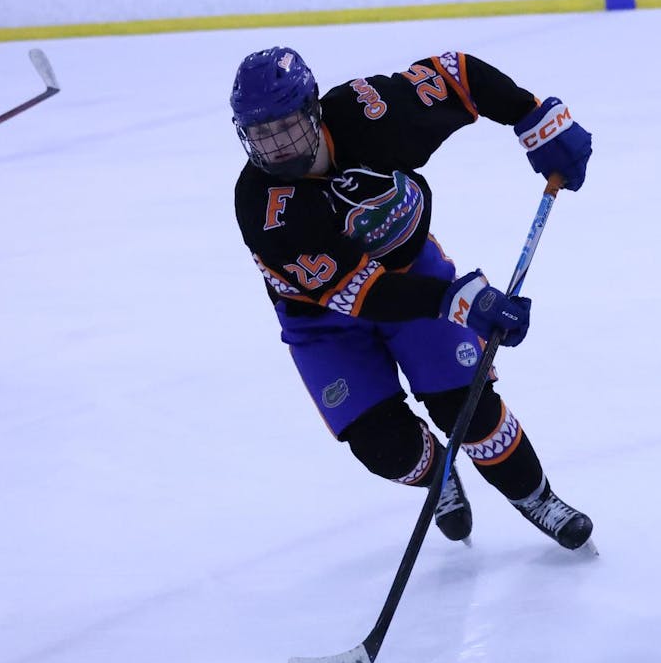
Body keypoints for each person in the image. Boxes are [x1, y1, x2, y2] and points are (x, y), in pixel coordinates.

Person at [230, 46, 595, 550]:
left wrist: (534, 118)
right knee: (384, 448)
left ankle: (537, 498)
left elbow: (458, 75)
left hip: (411, 271)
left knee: (466, 406)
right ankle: (439, 474)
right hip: (322, 320)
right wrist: (465, 301)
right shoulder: (262, 207)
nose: (275, 146)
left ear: (313, 110)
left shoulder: (369, 113)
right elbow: (366, 295)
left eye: (286, 127)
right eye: (260, 134)